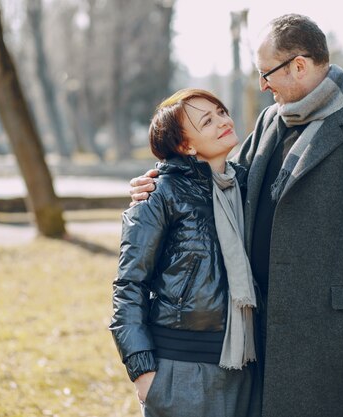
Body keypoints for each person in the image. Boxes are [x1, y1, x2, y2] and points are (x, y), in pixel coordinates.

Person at [129, 14, 343, 417]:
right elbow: (227, 182)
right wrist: (160, 182)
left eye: (266, 73)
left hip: (339, 342)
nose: (263, 85)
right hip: (266, 337)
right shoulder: (271, 120)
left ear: (298, 66)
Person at [109, 88, 259, 417]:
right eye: (207, 121)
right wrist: (142, 371)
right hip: (181, 367)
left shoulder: (248, 188)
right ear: (186, 145)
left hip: (243, 364)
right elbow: (129, 285)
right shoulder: (159, 193)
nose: (223, 121)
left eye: (221, 112)